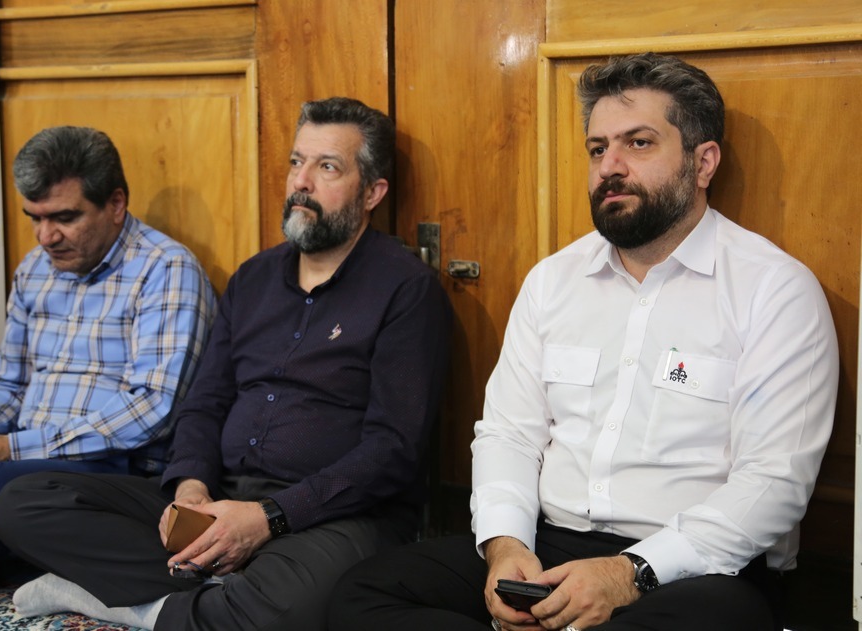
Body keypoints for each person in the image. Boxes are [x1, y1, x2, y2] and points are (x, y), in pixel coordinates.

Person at [328, 53, 839, 631]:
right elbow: (509, 434)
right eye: (598, 149)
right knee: (362, 597)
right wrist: (505, 547)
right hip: (548, 545)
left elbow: (772, 483)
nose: (609, 168)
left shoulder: (774, 289)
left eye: (638, 143)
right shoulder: (553, 281)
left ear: (703, 163)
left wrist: (629, 573)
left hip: (696, 569)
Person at [0, 96, 453, 631]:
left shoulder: (406, 289)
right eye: (296, 162)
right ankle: (215, 588)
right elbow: (205, 403)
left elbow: (392, 451)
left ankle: (129, 602)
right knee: (22, 501)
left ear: (372, 192)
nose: (301, 181)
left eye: (327, 167)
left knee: (288, 606)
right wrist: (191, 489)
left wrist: (268, 518)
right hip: (223, 495)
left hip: (333, 514)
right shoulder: (253, 278)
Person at [0, 126, 217, 619]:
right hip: (14, 453)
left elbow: (151, 411)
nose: (46, 236)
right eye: (35, 217)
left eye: (64, 218)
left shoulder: (167, 270)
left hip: (101, 465)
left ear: (115, 204)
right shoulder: (34, 269)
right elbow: (7, 386)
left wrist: (9, 449)